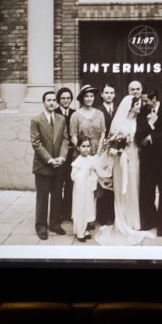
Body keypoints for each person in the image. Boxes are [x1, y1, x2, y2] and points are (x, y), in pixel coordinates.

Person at [95, 95, 155, 246]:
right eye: (137, 104)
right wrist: (118, 148)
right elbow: (111, 142)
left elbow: (143, 138)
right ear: (129, 106)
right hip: (120, 159)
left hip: (135, 157)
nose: (139, 107)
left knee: (134, 188)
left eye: (140, 104)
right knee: (123, 188)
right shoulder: (119, 122)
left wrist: (150, 126)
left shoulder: (138, 121)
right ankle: (122, 221)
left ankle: (134, 222)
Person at [135, 86, 162, 236]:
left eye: (146, 100)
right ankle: (149, 220)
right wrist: (150, 125)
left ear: (154, 99)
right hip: (147, 160)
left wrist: (153, 137)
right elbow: (138, 133)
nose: (143, 103)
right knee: (147, 192)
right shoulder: (142, 112)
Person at [30, 91, 69, 240]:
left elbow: (65, 140)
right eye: (49, 100)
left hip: (58, 164)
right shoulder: (36, 120)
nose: (52, 102)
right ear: (44, 102)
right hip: (43, 165)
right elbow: (36, 143)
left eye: (54, 100)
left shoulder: (61, 118)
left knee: (57, 196)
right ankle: (41, 226)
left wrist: (62, 157)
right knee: (42, 198)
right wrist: (49, 159)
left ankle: (54, 224)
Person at [70, 84, 106, 229]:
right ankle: (82, 218)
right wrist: (83, 151)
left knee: (95, 187)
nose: (89, 98)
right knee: (82, 187)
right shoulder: (76, 115)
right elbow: (73, 135)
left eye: (91, 96)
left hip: (97, 154)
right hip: (82, 155)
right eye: (86, 96)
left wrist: (98, 152)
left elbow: (103, 133)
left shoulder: (99, 114)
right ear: (82, 98)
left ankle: (92, 218)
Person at [70, 136, 99, 242]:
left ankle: (85, 229)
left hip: (88, 188)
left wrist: (92, 175)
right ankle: (79, 231)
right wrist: (84, 173)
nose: (86, 149)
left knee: (88, 207)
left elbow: (93, 173)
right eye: (83, 146)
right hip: (80, 189)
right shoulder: (78, 161)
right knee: (80, 208)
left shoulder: (90, 159)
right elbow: (73, 176)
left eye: (88, 146)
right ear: (78, 148)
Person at [96, 83, 116, 226]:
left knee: (114, 182)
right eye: (106, 93)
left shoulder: (119, 110)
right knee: (103, 182)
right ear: (102, 94)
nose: (109, 95)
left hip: (115, 150)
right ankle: (101, 215)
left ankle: (112, 214)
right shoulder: (98, 111)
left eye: (111, 93)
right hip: (103, 150)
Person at [56, 86, 76, 221]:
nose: (66, 100)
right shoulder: (55, 112)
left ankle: (68, 212)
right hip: (58, 154)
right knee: (57, 185)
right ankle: (57, 214)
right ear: (59, 100)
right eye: (63, 98)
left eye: (68, 98)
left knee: (70, 184)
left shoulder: (75, 113)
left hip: (72, 155)